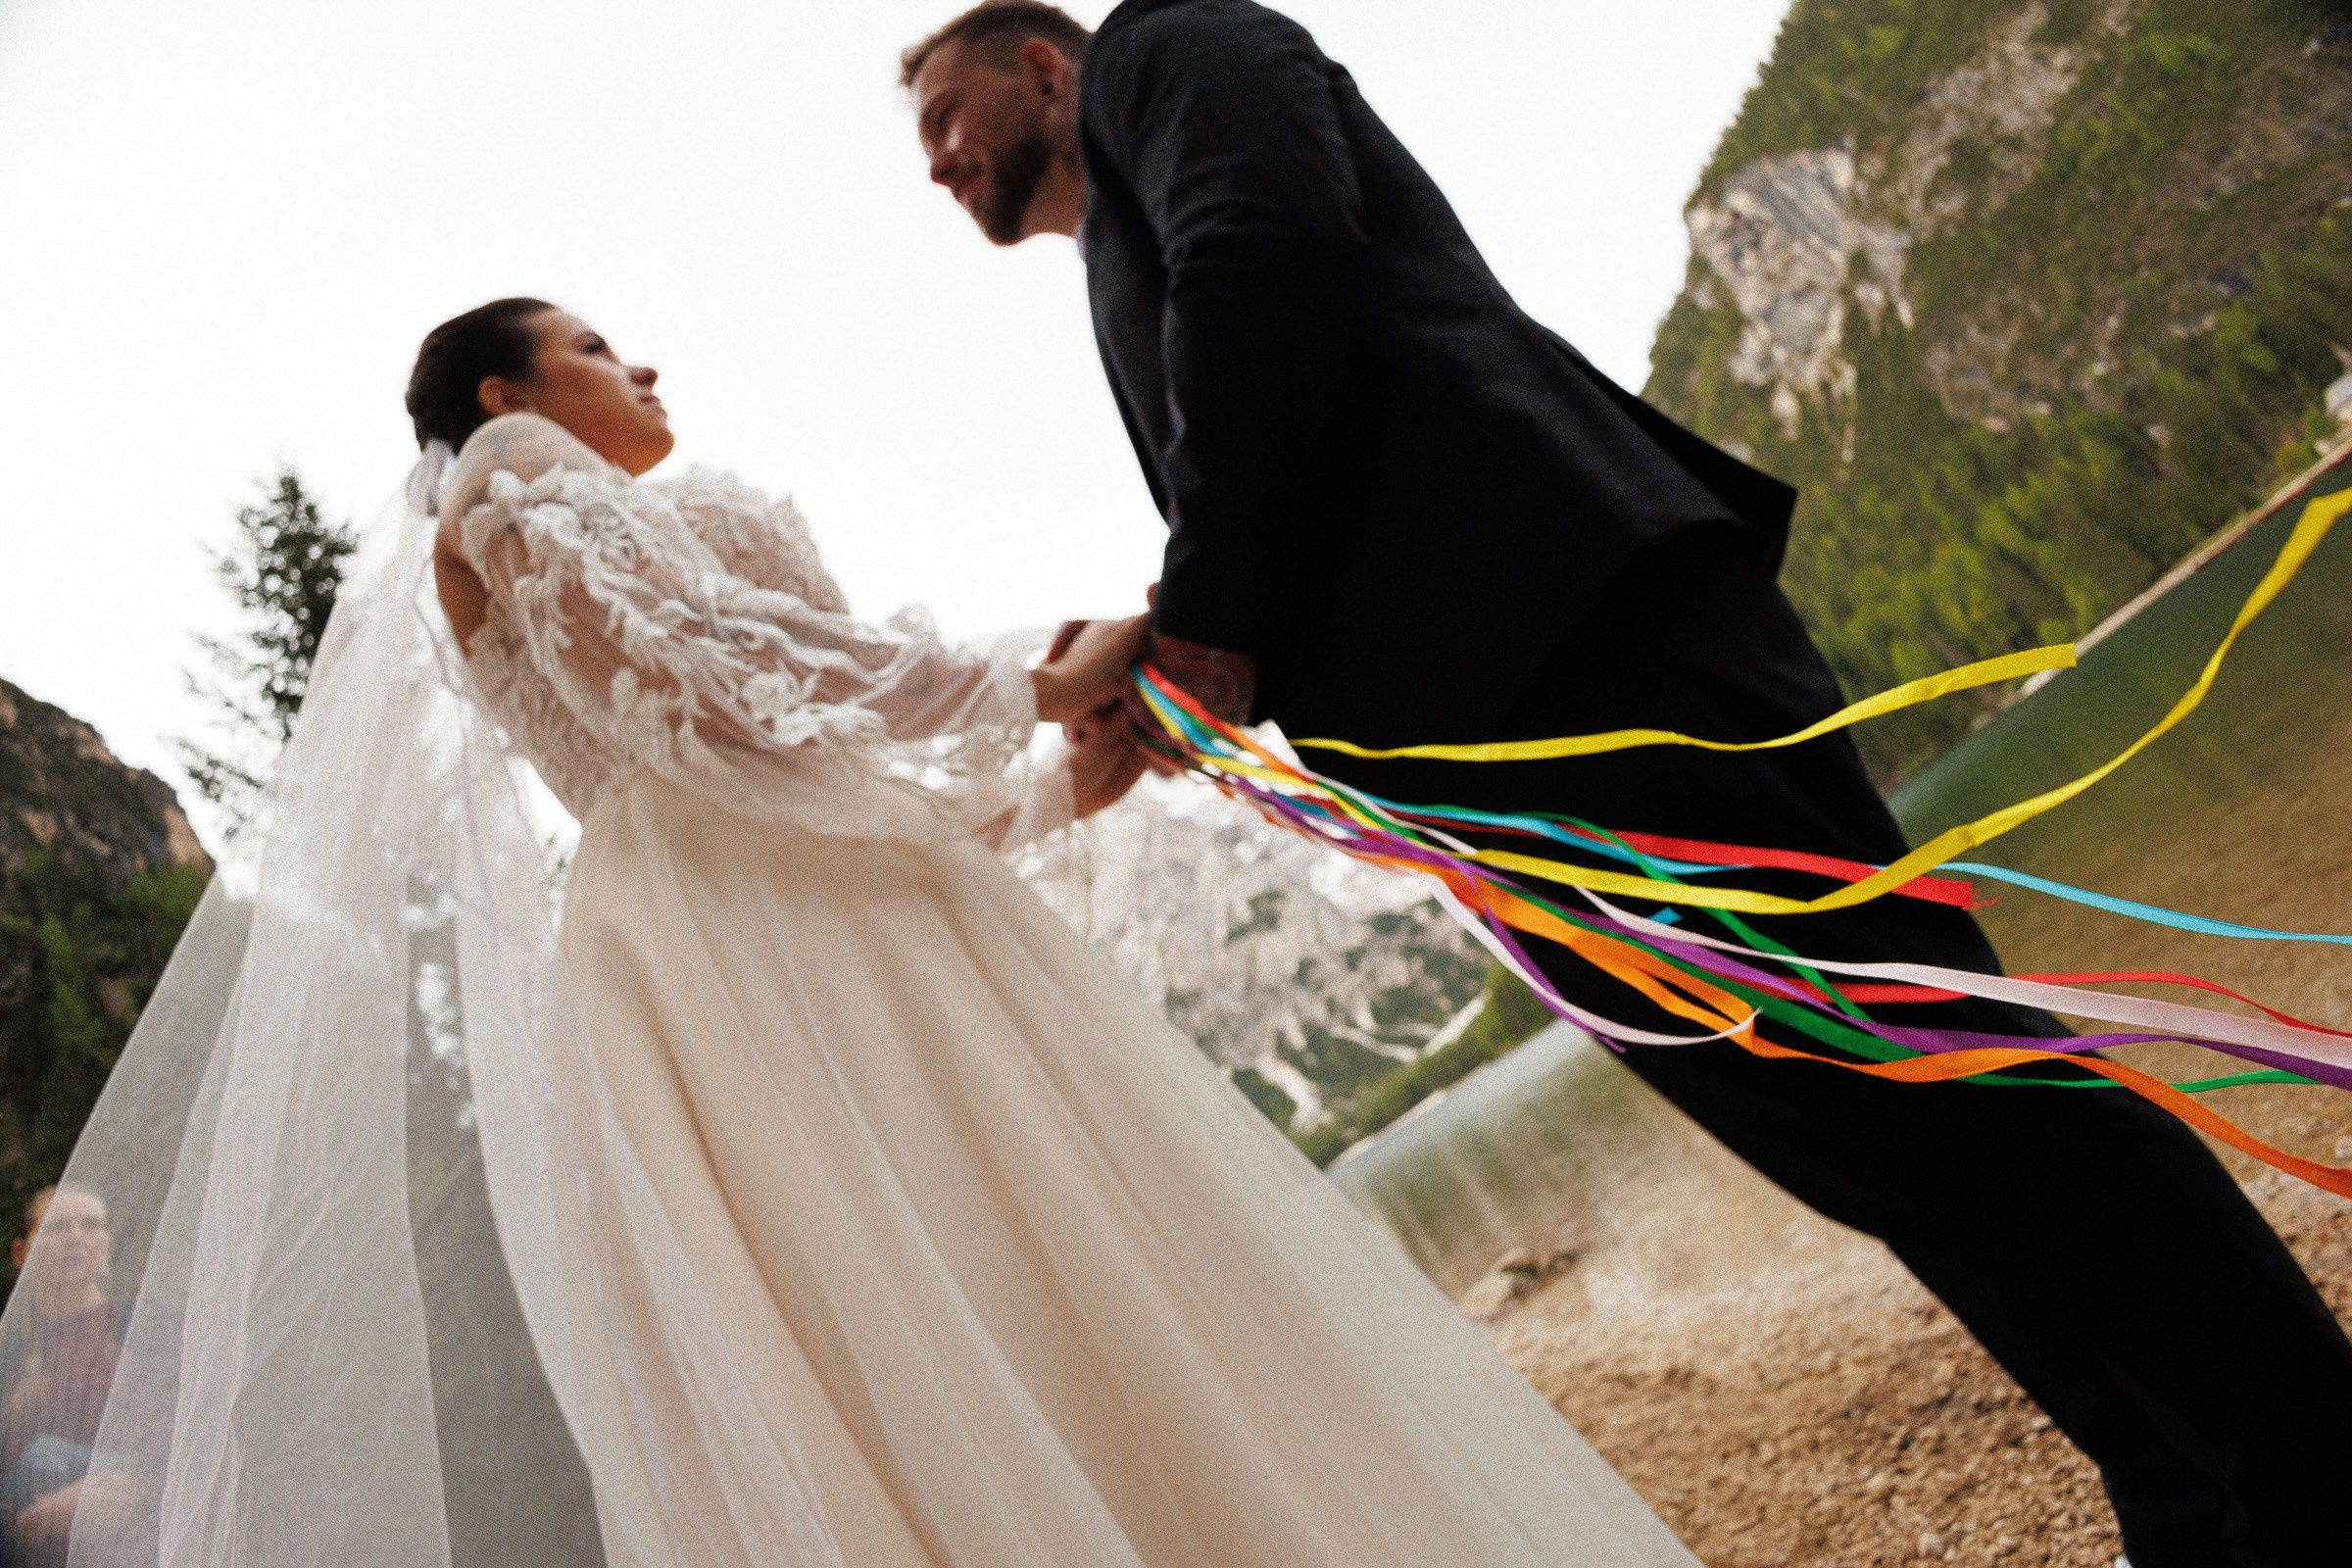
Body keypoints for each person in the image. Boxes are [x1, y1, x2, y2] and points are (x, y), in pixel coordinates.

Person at [902, 4, 2352, 1565]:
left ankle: (2321, 1473)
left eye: (944, 115)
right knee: (1866, 1145)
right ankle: (2190, 1498)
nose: (936, 162)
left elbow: (1267, 258)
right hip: (1489, 768)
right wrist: (1182, 657)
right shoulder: (1120, 235)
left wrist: (1205, 624)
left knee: (1957, 1069)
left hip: (1590, 655)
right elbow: (1285, 469)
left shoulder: (1173, 49)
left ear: (1043, 65)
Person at [0, 295, 1701, 1566]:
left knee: (1000, 1257)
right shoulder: (508, 485)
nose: (643, 367)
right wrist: (1035, 676)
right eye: (598, 343)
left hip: (799, 901)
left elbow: (783, 753)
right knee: (982, 1251)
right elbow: (718, 664)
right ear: (509, 393)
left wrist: (1045, 788)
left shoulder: (612, 521)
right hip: (741, 937)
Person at [0, 1188, 135, 1568]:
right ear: (21, 1254)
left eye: (91, 1225)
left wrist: (132, 1488)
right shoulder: (9, 1355)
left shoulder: (137, 1330)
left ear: (106, 1243)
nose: (76, 1237)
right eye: (57, 1227)